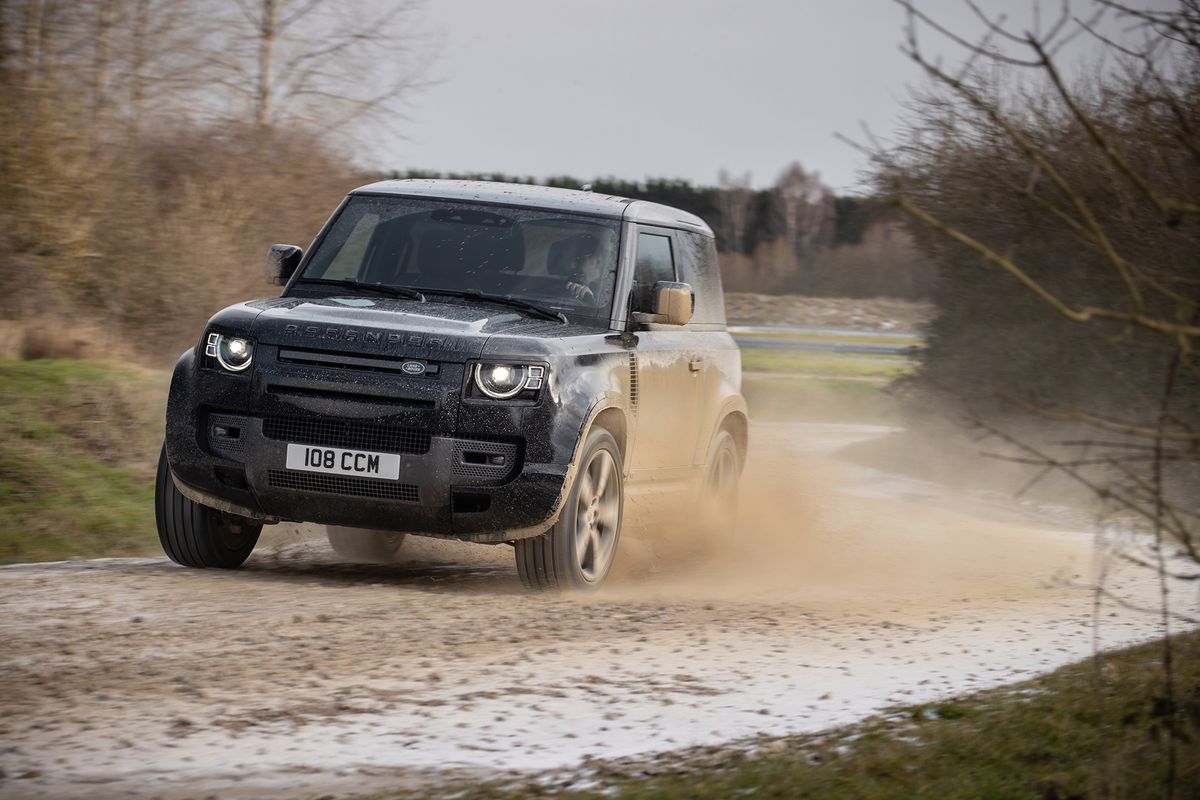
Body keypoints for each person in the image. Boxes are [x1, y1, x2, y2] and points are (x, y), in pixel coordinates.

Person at [563, 233, 603, 304]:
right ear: (575, 263)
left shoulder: (605, 295)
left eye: (600, 255)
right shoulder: (564, 292)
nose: (599, 262)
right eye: (592, 257)